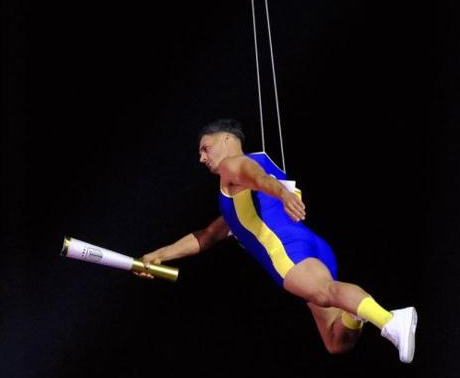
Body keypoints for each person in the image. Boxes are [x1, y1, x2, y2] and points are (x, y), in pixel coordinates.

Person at [140, 118, 417, 362]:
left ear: (226, 139)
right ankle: (359, 311)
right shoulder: (241, 197)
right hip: (313, 246)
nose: (202, 157)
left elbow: (257, 178)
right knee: (336, 340)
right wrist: (159, 255)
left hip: (288, 250)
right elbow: (208, 235)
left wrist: (283, 196)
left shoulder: (232, 166)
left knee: (325, 292)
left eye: (205, 148)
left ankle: (392, 320)